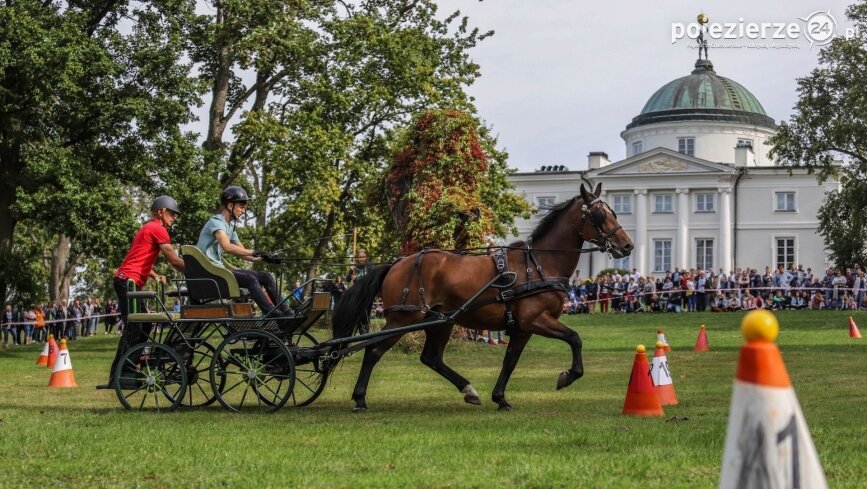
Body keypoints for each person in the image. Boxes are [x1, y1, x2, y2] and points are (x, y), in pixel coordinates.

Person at [98, 195, 186, 389]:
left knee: (144, 325)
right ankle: (120, 374)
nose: (174, 217)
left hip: (128, 280)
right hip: (127, 281)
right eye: (172, 213)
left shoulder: (149, 228)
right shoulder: (158, 229)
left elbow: (137, 257)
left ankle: (130, 365)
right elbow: (172, 258)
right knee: (135, 327)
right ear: (160, 211)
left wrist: (153, 274)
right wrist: (194, 270)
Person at [196, 186, 289, 317]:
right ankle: (273, 314)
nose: (244, 211)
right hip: (208, 273)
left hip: (218, 271)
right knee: (250, 279)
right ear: (229, 205)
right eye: (241, 207)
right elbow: (227, 247)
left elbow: (244, 252)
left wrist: (266, 258)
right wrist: (255, 251)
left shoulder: (230, 228)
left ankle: (287, 312)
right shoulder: (216, 222)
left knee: (266, 276)